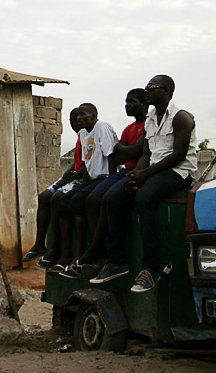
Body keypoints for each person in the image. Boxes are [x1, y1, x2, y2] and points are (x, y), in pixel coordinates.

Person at [91, 75, 197, 293]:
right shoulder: (150, 120)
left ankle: (151, 269)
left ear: (166, 91)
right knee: (114, 198)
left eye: (152, 87)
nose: (147, 91)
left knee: (144, 198)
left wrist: (145, 174)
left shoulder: (181, 118)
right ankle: (117, 262)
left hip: (177, 172)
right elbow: (147, 153)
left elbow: (178, 155)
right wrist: (136, 175)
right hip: (154, 169)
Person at [66, 89, 147, 278]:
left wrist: (124, 152)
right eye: (126, 102)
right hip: (126, 170)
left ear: (144, 105)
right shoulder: (128, 129)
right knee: (88, 200)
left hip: (136, 171)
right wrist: (126, 150)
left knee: (105, 199)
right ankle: (93, 251)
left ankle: (103, 254)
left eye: (132, 102)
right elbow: (121, 152)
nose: (127, 105)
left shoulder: (147, 126)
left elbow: (133, 152)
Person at [50, 103, 118, 272]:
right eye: (78, 115)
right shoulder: (83, 133)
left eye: (83, 114)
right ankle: (67, 253)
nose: (79, 118)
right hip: (93, 177)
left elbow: (111, 156)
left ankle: (86, 252)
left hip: (105, 176)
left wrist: (111, 182)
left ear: (94, 115)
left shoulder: (101, 127)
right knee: (64, 201)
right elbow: (88, 162)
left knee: (85, 201)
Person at [22, 108, 83, 264]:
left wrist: (73, 175)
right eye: (73, 120)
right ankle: (40, 244)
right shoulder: (80, 137)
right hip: (75, 174)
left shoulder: (91, 136)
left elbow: (92, 164)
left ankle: (57, 248)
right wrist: (66, 175)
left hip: (83, 177)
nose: (75, 123)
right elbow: (76, 162)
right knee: (44, 197)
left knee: (57, 199)